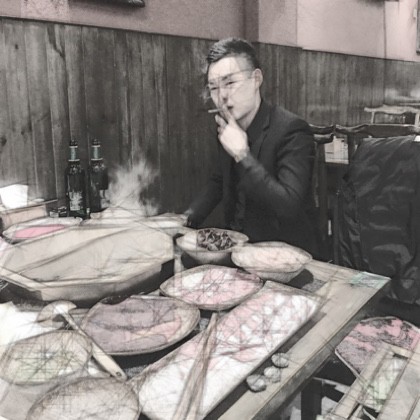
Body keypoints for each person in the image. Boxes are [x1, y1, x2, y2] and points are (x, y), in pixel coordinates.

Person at [185, 37, 319, 256]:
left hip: (285, 257)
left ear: (256, 79)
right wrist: (185, 220)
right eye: (214, 87)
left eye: (230, 83)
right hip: (239, 251)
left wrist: (242, 154)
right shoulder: (229, 126)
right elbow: (218, 181)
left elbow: (289, 206)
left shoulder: (292, 130)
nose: (222, 96)